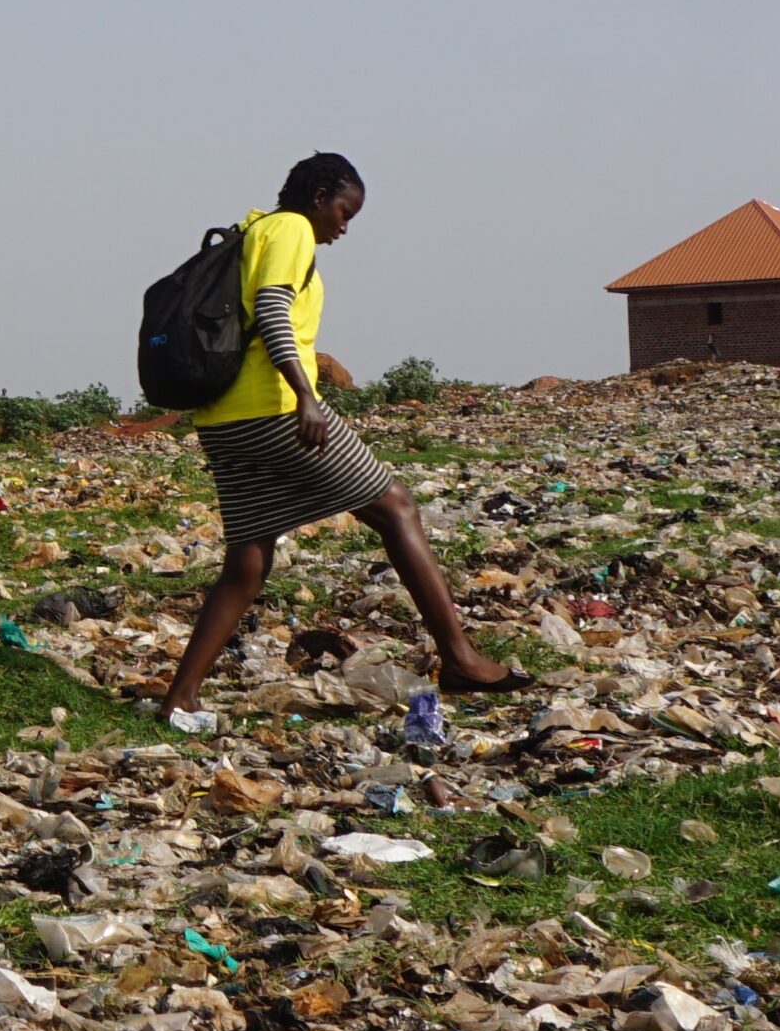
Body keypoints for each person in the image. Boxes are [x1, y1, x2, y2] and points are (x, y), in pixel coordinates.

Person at [160, 152, 518, 717]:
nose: (344, 227)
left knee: (248, 559)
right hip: (274, 410)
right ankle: (461, 659)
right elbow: (274, 311)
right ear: (320, 195)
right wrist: (306, 395)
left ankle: (180, 699)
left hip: (221, 421)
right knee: (395, 507)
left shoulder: (254, 229)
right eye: (344, 212)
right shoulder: (291, 229)